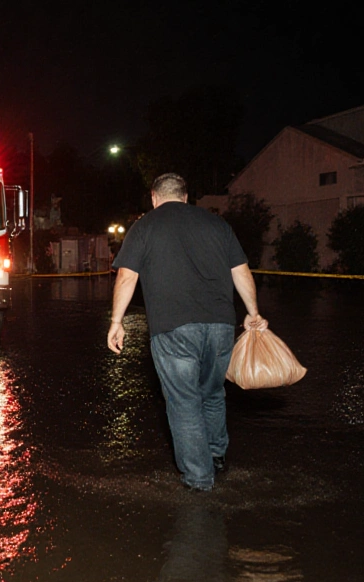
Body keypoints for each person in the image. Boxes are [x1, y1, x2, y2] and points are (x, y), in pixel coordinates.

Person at [108, 173, 266, 491]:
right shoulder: (217, 224)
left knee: (184, 401)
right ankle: (216, 457)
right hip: (221, 326)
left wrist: (116, 322)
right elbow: (242, 272)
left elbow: (127, 277)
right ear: (185, 196)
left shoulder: (145, 226)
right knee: (212, 393)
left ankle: (199, 479)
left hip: (173, 328)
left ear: (154, 198)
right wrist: (253, 313)